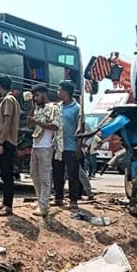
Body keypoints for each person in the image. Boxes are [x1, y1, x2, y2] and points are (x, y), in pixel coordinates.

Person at [28, 84, 62, 217]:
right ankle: (40, 201)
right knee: (34, 175)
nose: (35, 98)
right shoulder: (38, 108)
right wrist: (32, 109)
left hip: (46, 146)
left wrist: (37, 122)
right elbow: (30, 124)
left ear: (43, 93)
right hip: (36, 145)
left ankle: (43, 205)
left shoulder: (54, 108)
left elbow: (55, 126)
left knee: (44, 177)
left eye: (36, 95)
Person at [0, 75, 20, 217]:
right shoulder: (11, 99)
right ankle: (5, 202)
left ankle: (8, 206)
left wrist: (0, 143)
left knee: (7, 175)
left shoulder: (8, 100)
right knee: (4, 173)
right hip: (7, 141)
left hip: (6, 142)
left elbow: (7, 122)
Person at [53, 80, 83, 209]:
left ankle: (73, 200)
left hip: (71, 147)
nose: (58, 92)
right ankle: (58, 198)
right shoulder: (57, 107)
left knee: (73, 175)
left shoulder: (77, 108)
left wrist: (78, 148)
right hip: (58, 147)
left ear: (66, 92)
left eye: (59, 90)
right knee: (57, 174)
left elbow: (81, 129)